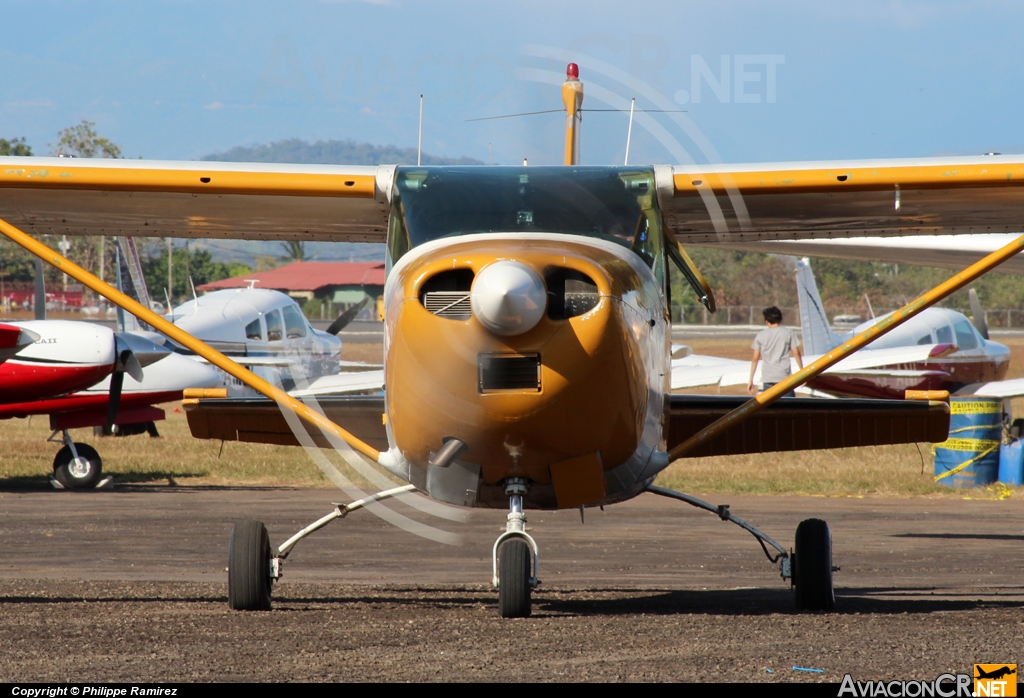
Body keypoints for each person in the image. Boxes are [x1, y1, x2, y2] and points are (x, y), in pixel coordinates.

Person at [747, 306, 803, 397]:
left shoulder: (760, 335)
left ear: (766, 321)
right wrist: (802, 371)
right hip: (784, 377)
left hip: (768, 378)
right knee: (789, 408)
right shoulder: (788, 333)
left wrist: (750, 380)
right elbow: (796, 353)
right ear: (780, 319)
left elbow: (755, 358)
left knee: (771, 408)